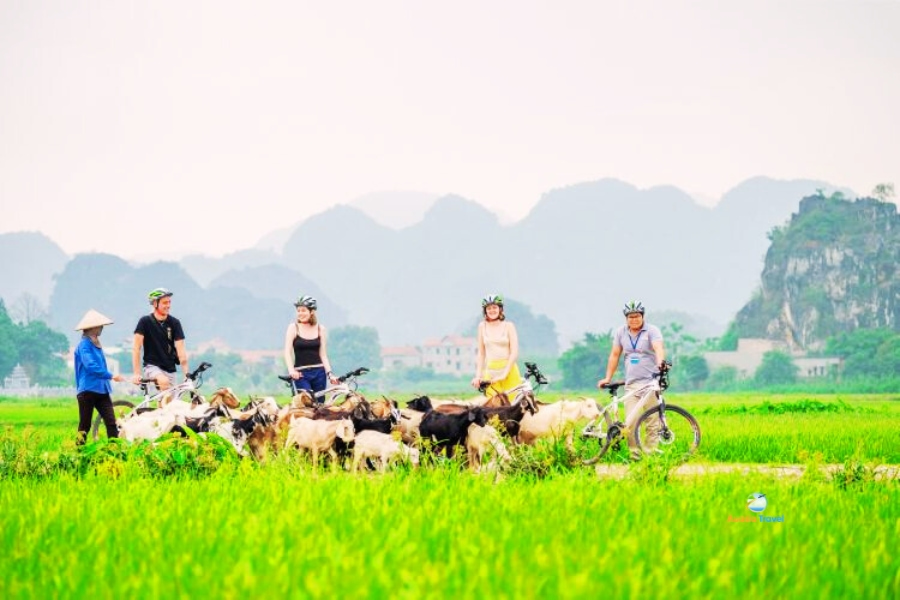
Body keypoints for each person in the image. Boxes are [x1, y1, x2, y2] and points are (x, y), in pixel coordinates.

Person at [597, 300, 666, 458]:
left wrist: (661, 364)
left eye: (637, 316)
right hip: (632, 384)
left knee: (652, 420)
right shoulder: (621, 333)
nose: (634, 319)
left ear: (642, 316)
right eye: (630, 317)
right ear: (626, 318)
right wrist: (608, 377)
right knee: (631, 421)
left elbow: (658, 348)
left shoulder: (652, 331)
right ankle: (634, 455)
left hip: (650, 383)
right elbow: (615, 355)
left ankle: (651, 454)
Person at [74, 309, 126, 444]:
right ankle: (79, 452)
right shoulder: (84, 345)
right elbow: (90, 366)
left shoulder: (96, 343)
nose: (101, 328)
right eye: (99, 326)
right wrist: (111, 375)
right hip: (88, 390)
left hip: (102, 390)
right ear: (92, 328)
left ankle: (115, 451)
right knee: (85, 425)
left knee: (111, 422)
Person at [132, 287, 189, 391]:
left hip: (170, 369)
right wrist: (136, 373)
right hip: (151, 366)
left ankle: (161, 406)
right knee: (164, 381)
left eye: (169, 302)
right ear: (155, 304)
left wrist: (187, 374)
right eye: (164, 303)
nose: (168, 305)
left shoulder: (175, 323)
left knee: (171, 404)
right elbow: (136, 348)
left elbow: (181, 352)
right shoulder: (144, 322)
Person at [284, 295, 338, 401]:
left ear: (312, 311)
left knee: (320, 406)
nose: (300, 313)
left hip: (319, 373)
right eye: (298, 311)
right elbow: (287, 352)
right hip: (301, 374)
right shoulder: (293, 328)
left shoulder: (320, 329)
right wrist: (291, 370)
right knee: (306, 403)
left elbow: (323, 355)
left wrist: (330, 374)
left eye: (303, 310)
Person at [470, 294, 522, 398]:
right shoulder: (482, 326)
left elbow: (514, 352)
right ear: (485, 311)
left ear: (500, 309)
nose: (492, 310)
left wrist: (504, 374)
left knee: (513, 406)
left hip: (509, 370)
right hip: (491, 372)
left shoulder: (509, 326)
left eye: (494, 307)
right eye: (489, 308)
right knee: (493, 409)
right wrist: (478, 376)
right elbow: (481, 353)